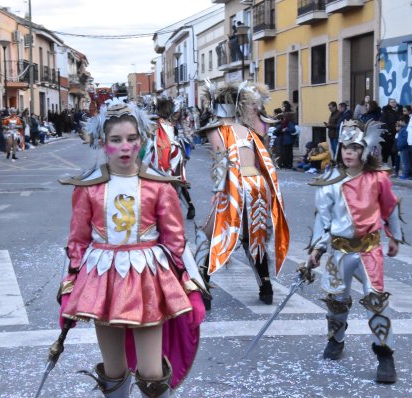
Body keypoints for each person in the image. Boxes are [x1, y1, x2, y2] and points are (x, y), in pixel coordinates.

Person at [58, 100, 205, 397]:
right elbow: (78, 240)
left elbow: (176, 241)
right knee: (113, 370)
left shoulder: (159, 186)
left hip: (148, 277)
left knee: (152, 373)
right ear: (103, 143)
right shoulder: (88, 187)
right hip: (101, 279)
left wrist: (190, 286)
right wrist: (69, 286)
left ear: (141, 141)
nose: (125, 147)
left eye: (131, 139)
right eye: (115, 140)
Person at [308, 119, 404, 384]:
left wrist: (393, 236)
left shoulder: (377, 178)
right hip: (339, 252)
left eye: (354, 147)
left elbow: (390, 207)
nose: (348, 152)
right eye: (344, 148)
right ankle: (336, 340)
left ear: (364, 150)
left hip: (369, 250)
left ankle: (385, 355)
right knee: (336, 301)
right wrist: (316, 248)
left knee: (376, 302)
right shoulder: (331, 180)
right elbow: (322, 218)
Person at [195, 80, 290, 308]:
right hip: (257, 184)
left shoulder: (217, 130)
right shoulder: (247, 130)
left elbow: (221, 161)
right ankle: (265, 286)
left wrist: (218, 189)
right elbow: (263, 159)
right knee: (252, 236)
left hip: (235, 185)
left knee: (212, 234)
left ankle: (203, 288)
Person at [143, 98, 196, 220]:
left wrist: (188, 141)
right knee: (171, 182)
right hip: (164, 155)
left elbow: (184, 131)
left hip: (174, 154)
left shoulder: (171, 122)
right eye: (176, 112)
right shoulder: (157, 123)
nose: (177, 114)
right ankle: (178, 207)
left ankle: (182, 207)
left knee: (174, 182)